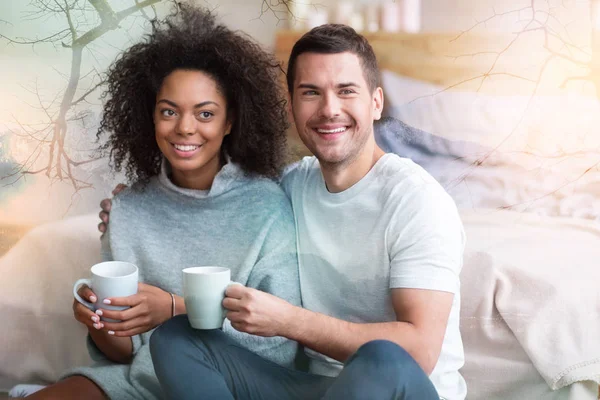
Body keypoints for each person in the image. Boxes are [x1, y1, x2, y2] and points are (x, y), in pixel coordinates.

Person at [102, 25, 466, 400]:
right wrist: (138, 202)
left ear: (376, 102)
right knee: (177, 338)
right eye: (311, 93)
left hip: (394, 387)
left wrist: (291, 322)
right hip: (313, 389)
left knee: (380, 359)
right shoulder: (291, 185)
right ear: (291, 106)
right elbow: (224, 197)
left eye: (346, 91)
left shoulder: (417, 201)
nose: (329, 109)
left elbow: (420, 350)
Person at [25, 5, 300, 400]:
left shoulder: (268, 209)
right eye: (169, 111)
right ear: (150, 117)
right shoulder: (128, 209)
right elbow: (125, 354)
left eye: (205, 113)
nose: (185, 127)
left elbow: (277, 347)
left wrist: (175, 307)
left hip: (231, 385)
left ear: (229, 121)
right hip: (140, 383)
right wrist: (99, 322)